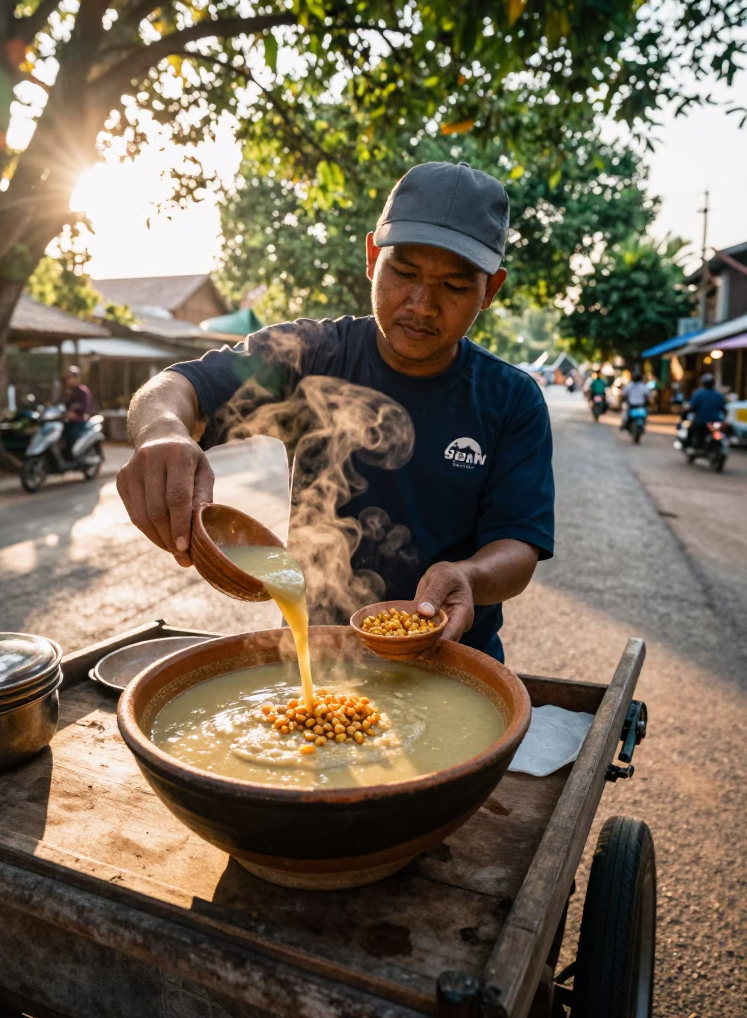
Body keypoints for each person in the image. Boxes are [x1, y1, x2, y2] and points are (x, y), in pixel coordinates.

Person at [117, 161, 555, 663]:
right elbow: (176, 386)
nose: (422, 304)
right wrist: (161, 432)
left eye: (454, 287)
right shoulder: (308, 354)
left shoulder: (512, 398)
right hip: (316, 657)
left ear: (490, 291)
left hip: (452, 660)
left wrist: (471, 576)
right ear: (373, 258)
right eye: (405, 272)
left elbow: (519, 545)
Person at [686, 372, 726, 448]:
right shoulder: (719, 395)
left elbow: (692, 406)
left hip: (701, 421)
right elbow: (723, 409)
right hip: (715, 421)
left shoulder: (698, 393)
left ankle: (691, 446)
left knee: (690, 430)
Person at [63, 365, 93, 456]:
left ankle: (74, 456)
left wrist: (75, 414)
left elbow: (85, 407)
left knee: (71, 435)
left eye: (71, 377)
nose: (69, 380)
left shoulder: (82, 391)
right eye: (68, 378)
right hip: (68, 420)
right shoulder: (67, 391)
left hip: (80, 421)